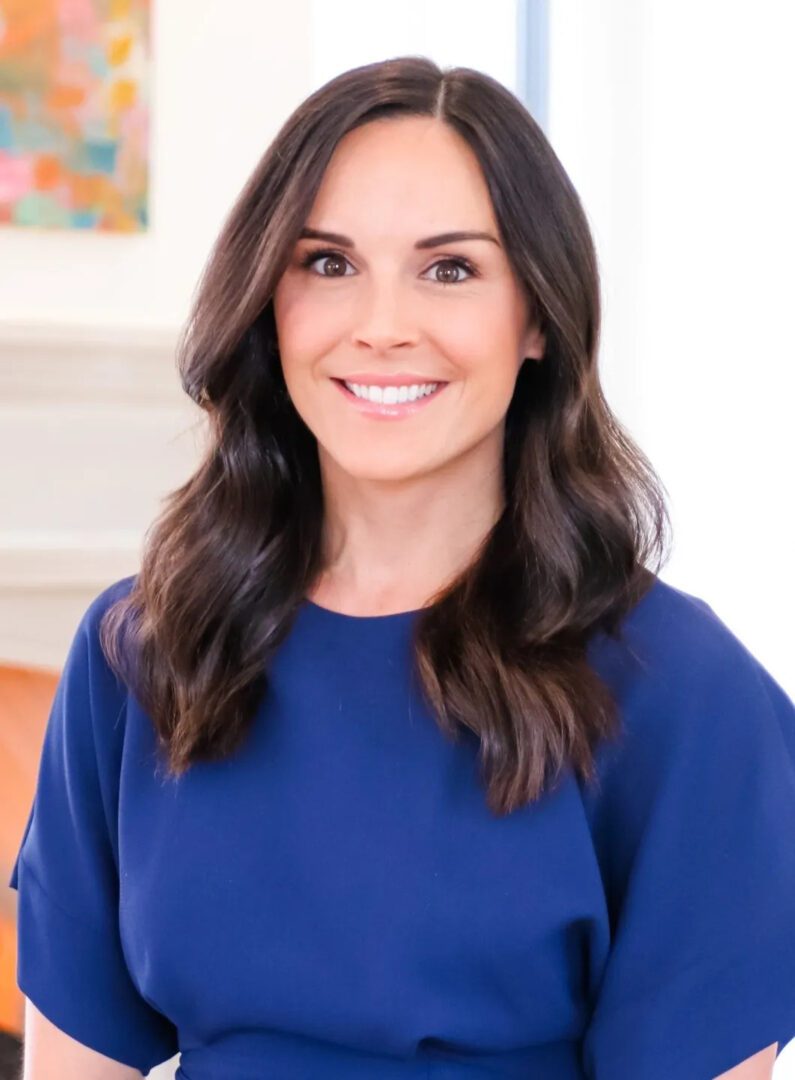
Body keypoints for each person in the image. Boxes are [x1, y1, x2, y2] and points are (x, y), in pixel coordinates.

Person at [8, 56, 795, 1080]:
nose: (381, 326)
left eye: (451, 269)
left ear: (540, 319)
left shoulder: (681, 694)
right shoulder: (144, 651)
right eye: (328, 264)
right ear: (267, 302)